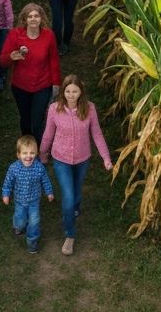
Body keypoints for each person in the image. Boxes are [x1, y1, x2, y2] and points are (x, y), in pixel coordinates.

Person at [39, 75, 112, 256]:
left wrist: (105, 157)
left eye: (75, 91)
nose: (71, 95)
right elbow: (48, 133)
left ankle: (74, 209)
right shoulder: (54, 109)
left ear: (81, 92)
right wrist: (42, 154)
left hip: (82, 159)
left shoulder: (90, 108)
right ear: (63, 92)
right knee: (69, 197)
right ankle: (70, 235)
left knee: (77, 192)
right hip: (61, 159)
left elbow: (97, 134)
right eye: (68, 91)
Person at [0, 3, 61, 144]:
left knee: (37, 120)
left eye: (36, 16)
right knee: (25, 120)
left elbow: (54, 61)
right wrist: (11, 56)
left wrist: (56, 83)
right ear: (24, 19)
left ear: (41, 18)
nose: (33, 19)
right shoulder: (15, 35)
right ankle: (27, 147)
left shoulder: (48, 35)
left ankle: (38, 148)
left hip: (42, 85)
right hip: (20, 86)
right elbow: (2, 61)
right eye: (30, 16)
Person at [2, 134, 54, 255]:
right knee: (20, 220)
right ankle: (18, 226)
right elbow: (8, 182)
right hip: (20, 201)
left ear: (36, 153)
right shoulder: (14, 168)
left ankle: (32, 242)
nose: (28, 156)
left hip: (34, 201)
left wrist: (49, 192)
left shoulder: (39, 167)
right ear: (18, 155)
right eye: (25, 153)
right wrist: (6, 194)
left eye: (32, 153)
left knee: (34, 222)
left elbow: (45, 180)